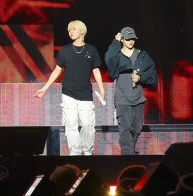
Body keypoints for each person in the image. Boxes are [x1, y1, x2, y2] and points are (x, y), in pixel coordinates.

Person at [35, 19, 106, 156]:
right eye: (69, 30)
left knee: (87, 124)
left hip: (85, 93)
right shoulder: (65, 50)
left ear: (82, 31)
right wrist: (44, 88)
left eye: (73, 29)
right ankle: (75, 153)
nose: (70, 32)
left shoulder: (91, 50)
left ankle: (87, 152)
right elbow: (57, 71)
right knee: (71, 125)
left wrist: (102, 89)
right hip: (68, 93)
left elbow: (96, 71)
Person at [105, 26, 157, 155]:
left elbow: (152, 74)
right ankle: (127, 154)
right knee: (125, 128)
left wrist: (140, 77)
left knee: (137, 128)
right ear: (122, 39)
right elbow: (108, 61)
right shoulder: (117, 55)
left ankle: (130, 151)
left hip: (138, 97)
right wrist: (115, 42)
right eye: (128, 39)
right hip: (122, 97)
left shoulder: (142, 55)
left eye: (133, 38)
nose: (131, 41)